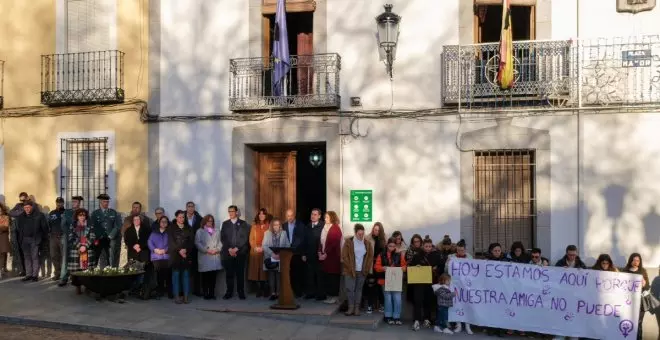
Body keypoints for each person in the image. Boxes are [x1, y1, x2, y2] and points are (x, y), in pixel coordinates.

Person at [409, 236, 443, 331]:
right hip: (419, 282)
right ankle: (416, 319)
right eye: (426, 246)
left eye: (429, 246)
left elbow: (441, 267)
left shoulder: (436, 256)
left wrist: (436, 269)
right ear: (423, 246)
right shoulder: (417, 256)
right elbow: (411, 267)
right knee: (417, 300)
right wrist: (417, 266)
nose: (428, 248)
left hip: (431, 282)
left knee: (428, 301)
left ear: (432, 246)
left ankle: (427, 319)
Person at [341, 224, 374, 316]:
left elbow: (370, 257)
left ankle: (356, 308)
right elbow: (344, 255)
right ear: (355, 233)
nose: (361, 236)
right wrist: (350, 267)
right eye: (359, 234)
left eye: (362, 234)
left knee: (359, 289)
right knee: (350, 289)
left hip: (362, 271)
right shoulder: (349, 242)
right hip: (349, 270)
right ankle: (350, 307)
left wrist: (366, 269)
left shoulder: (367, 243)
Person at [373, 237, 407, 325]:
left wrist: (400, 269)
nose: (391, 248)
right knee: (388, 299)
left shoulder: (399, 255)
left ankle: (396, 317)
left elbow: (404, 267)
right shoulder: (381, 254)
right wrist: (382, 268)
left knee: (397, 298)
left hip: (396, 280)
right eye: (390, 246)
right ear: (387, 245)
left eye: (393, 246)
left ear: (396, 246)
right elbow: (376, 267)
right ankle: (388, 316)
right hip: (384, 280)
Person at [444, 239, 474, 334]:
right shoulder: (451, 257)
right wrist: (447, 263)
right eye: (458, 250)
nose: (460, 252)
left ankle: (468, 326)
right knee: (456, 304)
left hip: (466, 285)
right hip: (455, 285)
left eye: (462, 250)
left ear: (465, 249)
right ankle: (459, 325)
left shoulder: (470, 257)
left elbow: (473, 271)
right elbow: (445, 270)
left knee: (466, 304)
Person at [220, 205, 250, 300]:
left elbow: (244, 238)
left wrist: (237, 248)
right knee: (229, 274)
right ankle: (229, 292)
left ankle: (240, 292)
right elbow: (223, 238)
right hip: (228, 253)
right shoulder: (225, 224)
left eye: (232, 211)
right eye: (229, 211)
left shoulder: (243, 224)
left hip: (240, 252)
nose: (230, 213)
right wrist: (229, 248)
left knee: (240, 273)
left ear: (236, 212)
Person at [66, 208, 96, 295]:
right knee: (77, 271)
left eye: (83, 215)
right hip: (76, 251)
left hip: (87, 250)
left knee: (86, 270)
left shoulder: (90, 225)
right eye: (80, 215)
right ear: (77, 216)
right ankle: (77, 287)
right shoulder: (73, 225)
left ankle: (88, 287)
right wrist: (79, 247)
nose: (82, 217)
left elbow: (92, 237)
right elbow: (71, 237)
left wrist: (85, 246)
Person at [17, 200, 48, 282]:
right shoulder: (21, 216)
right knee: (26, 257)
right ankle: (28, 274)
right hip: (24, 239)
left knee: (34, 257)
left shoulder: (39, 215)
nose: (26, 209)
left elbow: (45, 228)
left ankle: (35, 275)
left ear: (32, 207)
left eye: (28, 207)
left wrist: (43, 239)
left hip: (35, 239)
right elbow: (19, 228)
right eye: (25, 207)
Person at [124, 214, 153, 299]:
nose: (136, 221)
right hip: (133, 253)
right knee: (133, 271)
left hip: (143, 252)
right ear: (133, 221)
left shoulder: (147, 229)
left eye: (138, 219)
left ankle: (143, 291)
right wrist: (133, 246)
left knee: (143, 271)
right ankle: (134, 289)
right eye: (135, 220)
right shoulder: (128, 230)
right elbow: (127, 240)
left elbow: (149, 240)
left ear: (140, 220)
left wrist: (140, 246)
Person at [622, 253, 650, 340]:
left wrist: (645, 285)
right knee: (628, 322)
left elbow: (648, 287)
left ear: (640, 262)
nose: (635, 262)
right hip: (627, 303)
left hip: (640, 303)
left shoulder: (643, 271)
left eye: (638, 260)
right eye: (634, 260)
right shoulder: (625, 271)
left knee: (638, 323)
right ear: (630, 261)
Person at [195, 214, 223, 300]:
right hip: (205, 256)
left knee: (213, 277)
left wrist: (217, 249)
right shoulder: (200, 231)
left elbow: (220, 243)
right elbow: (197, 243)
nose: (210, 222)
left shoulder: (217, 231)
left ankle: (212, 293)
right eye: (208, 221)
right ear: (205, 221)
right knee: (205, 277)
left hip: (214, 256)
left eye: (211, 221)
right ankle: (205, 293)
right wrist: (206, 250)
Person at [169, 210, 194, 304]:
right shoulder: (171, 228)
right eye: (179, 217)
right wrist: (179, 250)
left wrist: (186, 250)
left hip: (186, 256)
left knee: (186, 276)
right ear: (176, 217)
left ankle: (186, 297)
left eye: (183, 217)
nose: (181, 219)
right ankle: (176, 296)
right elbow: (171, 242)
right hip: (175, 256)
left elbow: (191, 242)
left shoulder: (189, 228)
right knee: (176, 276)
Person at [262, 218, 290, 301]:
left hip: (280, 258)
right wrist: (272, 254)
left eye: (278, 225)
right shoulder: (267, 233)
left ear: (280, 226)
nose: (276, 226)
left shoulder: (284, 233)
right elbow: (264, 246)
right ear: (272, 226)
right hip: (271, 257)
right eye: (274, 225)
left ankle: (278, 293)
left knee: (278, 276)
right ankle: (273, 293)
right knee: (271, 275)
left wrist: (281, 254)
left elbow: (287, 245)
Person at [91, 194, 121, 268]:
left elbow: (117, 225)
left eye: (107, 202)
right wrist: (98, 235)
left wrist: (111, 235)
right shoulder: (95, 213)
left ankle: (112, 270)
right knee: (98, 256)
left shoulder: (113, 212)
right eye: (104, 202)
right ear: (100, 202)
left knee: (111, 255)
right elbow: (92, 226)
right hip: (99, 238)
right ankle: (101, 271)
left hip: (110, 237)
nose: (106, 203)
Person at [58, 196, 83, 287]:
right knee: (65, 257)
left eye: (75, 202)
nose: (73, 203)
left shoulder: (83, 212)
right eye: (72, 201)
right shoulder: (67, 212)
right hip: (68, 237)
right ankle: (63, 277)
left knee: (78, 258)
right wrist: (68, 233)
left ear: (79, 203)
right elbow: (63, 224)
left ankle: (76, 278)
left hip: (80, 237)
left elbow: (86, 224)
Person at [319, 211, 342, 304]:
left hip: (333, 257)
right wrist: (319, 252)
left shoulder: (336, 228)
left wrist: (325, 253)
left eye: (327, 217)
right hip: (325, 257)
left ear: (332, 218)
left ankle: (334, 297)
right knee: (327, 276)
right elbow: (320, 241)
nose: (325, 219)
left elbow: (334, 242)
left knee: (333, 277)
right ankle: (329, 296)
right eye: (325, 217)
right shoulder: (324, 228)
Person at [283, 209, 306, 298]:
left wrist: (303, 253)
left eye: (291, 215)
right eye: (288, 216)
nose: (289, 218)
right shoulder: (284, 225)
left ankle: (298, 292)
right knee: (289, 273)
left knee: (297, 273)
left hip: (297, 253)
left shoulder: (300, 225)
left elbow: (303, 240)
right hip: (286, 254)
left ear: (294, 215)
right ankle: (290, 291)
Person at [364, 222, 386, 313]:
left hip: (380, 266)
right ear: (373, 229)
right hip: (371, 265)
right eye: (375, 229)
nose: (376, 231)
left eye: (378, 230)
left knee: (379, 285)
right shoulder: (368, 238)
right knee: (370, 285)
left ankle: (381, 304)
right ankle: (370, 305)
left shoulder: (383, 239)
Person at [248, 208, 270, 297]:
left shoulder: (269, 226)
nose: (261, 215)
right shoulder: (254, 226)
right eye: (260, 214)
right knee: (256, 271)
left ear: (266, 215)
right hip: (255, 252)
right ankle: (259, 289)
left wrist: (263, 248)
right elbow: (251, 239)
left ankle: (265, 289)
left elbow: (270, 239)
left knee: (264, 271)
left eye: (263, 214)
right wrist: (255, 247)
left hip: (265, 252)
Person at [148, 216, 172, 299]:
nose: (163, 223)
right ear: (159, 223)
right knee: (159, 274)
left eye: (165, 221)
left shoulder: (170, 233)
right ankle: (160, 291)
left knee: (168, 274)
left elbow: (172, 243)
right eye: (162, 221)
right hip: (156, 256)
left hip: (167, 256)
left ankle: (169, 291)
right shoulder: (154, 232)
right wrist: (155, 250)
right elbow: (149, 242)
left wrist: (165, 250)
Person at [304, 208, 324, 300]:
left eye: (315, 214)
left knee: (319, 275)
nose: (313, 216)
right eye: (312, 214)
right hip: (309, 254)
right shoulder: (307, 226)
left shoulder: (323, 226)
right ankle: (310, 293)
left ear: (319, 216)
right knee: (309, 275)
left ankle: (320, 294)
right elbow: (304, 241)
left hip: (319, 255)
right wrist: (303, 254)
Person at [47, 198, 66, 281]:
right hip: (53, 237)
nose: (59, 204)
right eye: (58, 203)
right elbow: (49, 224)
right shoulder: (52, 213)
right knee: (54, 255)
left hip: (63, 237)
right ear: (56, 203)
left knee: (63, 256)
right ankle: (57, 273)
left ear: (63, 203)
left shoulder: (66, 212)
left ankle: (63, 274)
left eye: (61, 203)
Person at [0, 202, 10, 276]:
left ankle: (2, 268)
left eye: (0, 210)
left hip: (3, 236)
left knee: (2, 253)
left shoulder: (5, 217)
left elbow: (5, 227)